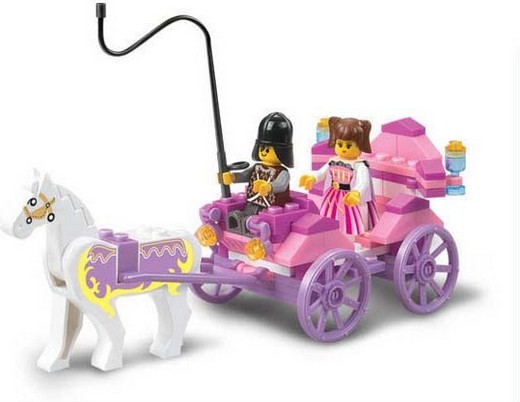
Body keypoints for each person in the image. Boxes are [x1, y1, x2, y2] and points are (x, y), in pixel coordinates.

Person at [299, 117, 379, 236]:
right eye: (340, 144)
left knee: (351, 215)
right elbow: (322, 172)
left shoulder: (359, 165)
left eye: (348, 146)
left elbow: (363, 182)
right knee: (330, 212)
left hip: (350, 196)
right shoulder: (333, 161)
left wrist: (356, 192)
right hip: (333, 194)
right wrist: (313, 178)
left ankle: (353, 232)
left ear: (360, 146)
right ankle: (329, 231)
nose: (343, 149)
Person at [220, 112, 294, 234]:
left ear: (282, 153)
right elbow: (245, 175)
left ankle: (254, 231)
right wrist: (233, 177)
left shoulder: (282, 172)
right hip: (252, 203)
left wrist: (269, 187)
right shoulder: (257, 167)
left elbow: (281, 185)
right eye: (262, 148)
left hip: (271, 208)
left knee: (255, 222)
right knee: (240, 217)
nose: (263, 152)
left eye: (268, 150)